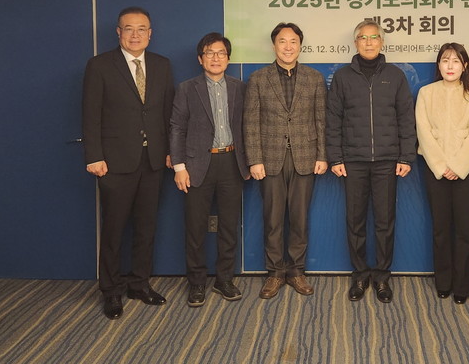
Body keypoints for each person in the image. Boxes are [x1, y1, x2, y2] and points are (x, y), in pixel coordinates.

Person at [82, 6, 174, 320]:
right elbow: (90, 115)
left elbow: (167, 113)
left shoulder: (162, 65)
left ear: (150, 33)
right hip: (114, 163)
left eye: (141, 29)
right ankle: (111, 291)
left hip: (153, 161)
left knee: (146, 228)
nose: (136, 35)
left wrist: (170, 151)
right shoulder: (100, 65)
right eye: (129, 29)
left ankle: (139, 284)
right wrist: (94, 156)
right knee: (114, 230)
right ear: (119, 32)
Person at [327, 18, 416, 304]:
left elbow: (406, 118)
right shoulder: (342, 77)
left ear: (382, 42)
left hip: (387, 161)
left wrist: (406, 155)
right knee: (355, 221)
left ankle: (381, 276)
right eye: (363, 38)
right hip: (352, 161)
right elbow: (333, 120)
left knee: (384, 221)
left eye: (374, 37)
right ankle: (360, 275)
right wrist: (335, 157)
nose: (368, 42)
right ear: (355, 43)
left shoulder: (395, 76)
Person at [244, 23, 328, 299]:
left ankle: (296, 271)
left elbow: (321, 120)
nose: (288, 47)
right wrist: (255, 159)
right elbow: (251, 122)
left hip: (305, 157)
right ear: (274, 45)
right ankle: (275, 272)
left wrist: (322, 155)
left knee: (299, 219)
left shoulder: (314, 78)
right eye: (282, 41)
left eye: (293, 41)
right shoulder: (258, 78)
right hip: (269, 159)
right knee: (273, 219)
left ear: (300, 46)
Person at [170, 33, 249, 307]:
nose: (216, 58)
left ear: (228, 58)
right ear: (200, 58)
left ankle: (224, 279)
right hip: (196, 165)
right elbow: (177, 128)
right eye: (210, 53)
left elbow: (248, 126)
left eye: (221, 53)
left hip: (232, 163)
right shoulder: (186, 88)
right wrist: (179, 166)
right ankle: (197, 283)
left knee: (229, 225)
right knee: (195, 228)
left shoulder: (240, 88)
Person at [416, 43, 469, 305]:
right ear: (438, 65)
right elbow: (423, 131)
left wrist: (457, 167)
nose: (450, 66)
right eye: (445, 60)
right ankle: (443, 282)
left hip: (467, 171)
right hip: (435, 170)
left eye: (456, 61)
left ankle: (463, 285)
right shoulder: (426, 92)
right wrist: (441, 165)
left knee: (464, 230)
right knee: (441, 228)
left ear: (465, 66)